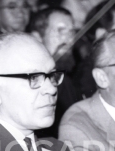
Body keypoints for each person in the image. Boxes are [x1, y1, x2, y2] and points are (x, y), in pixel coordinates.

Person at [29, 6, 81, 136]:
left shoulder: (67, 79)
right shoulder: (30, 83)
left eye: (72, 32)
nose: (69, 40)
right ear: (37, 37)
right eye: (60, 31)